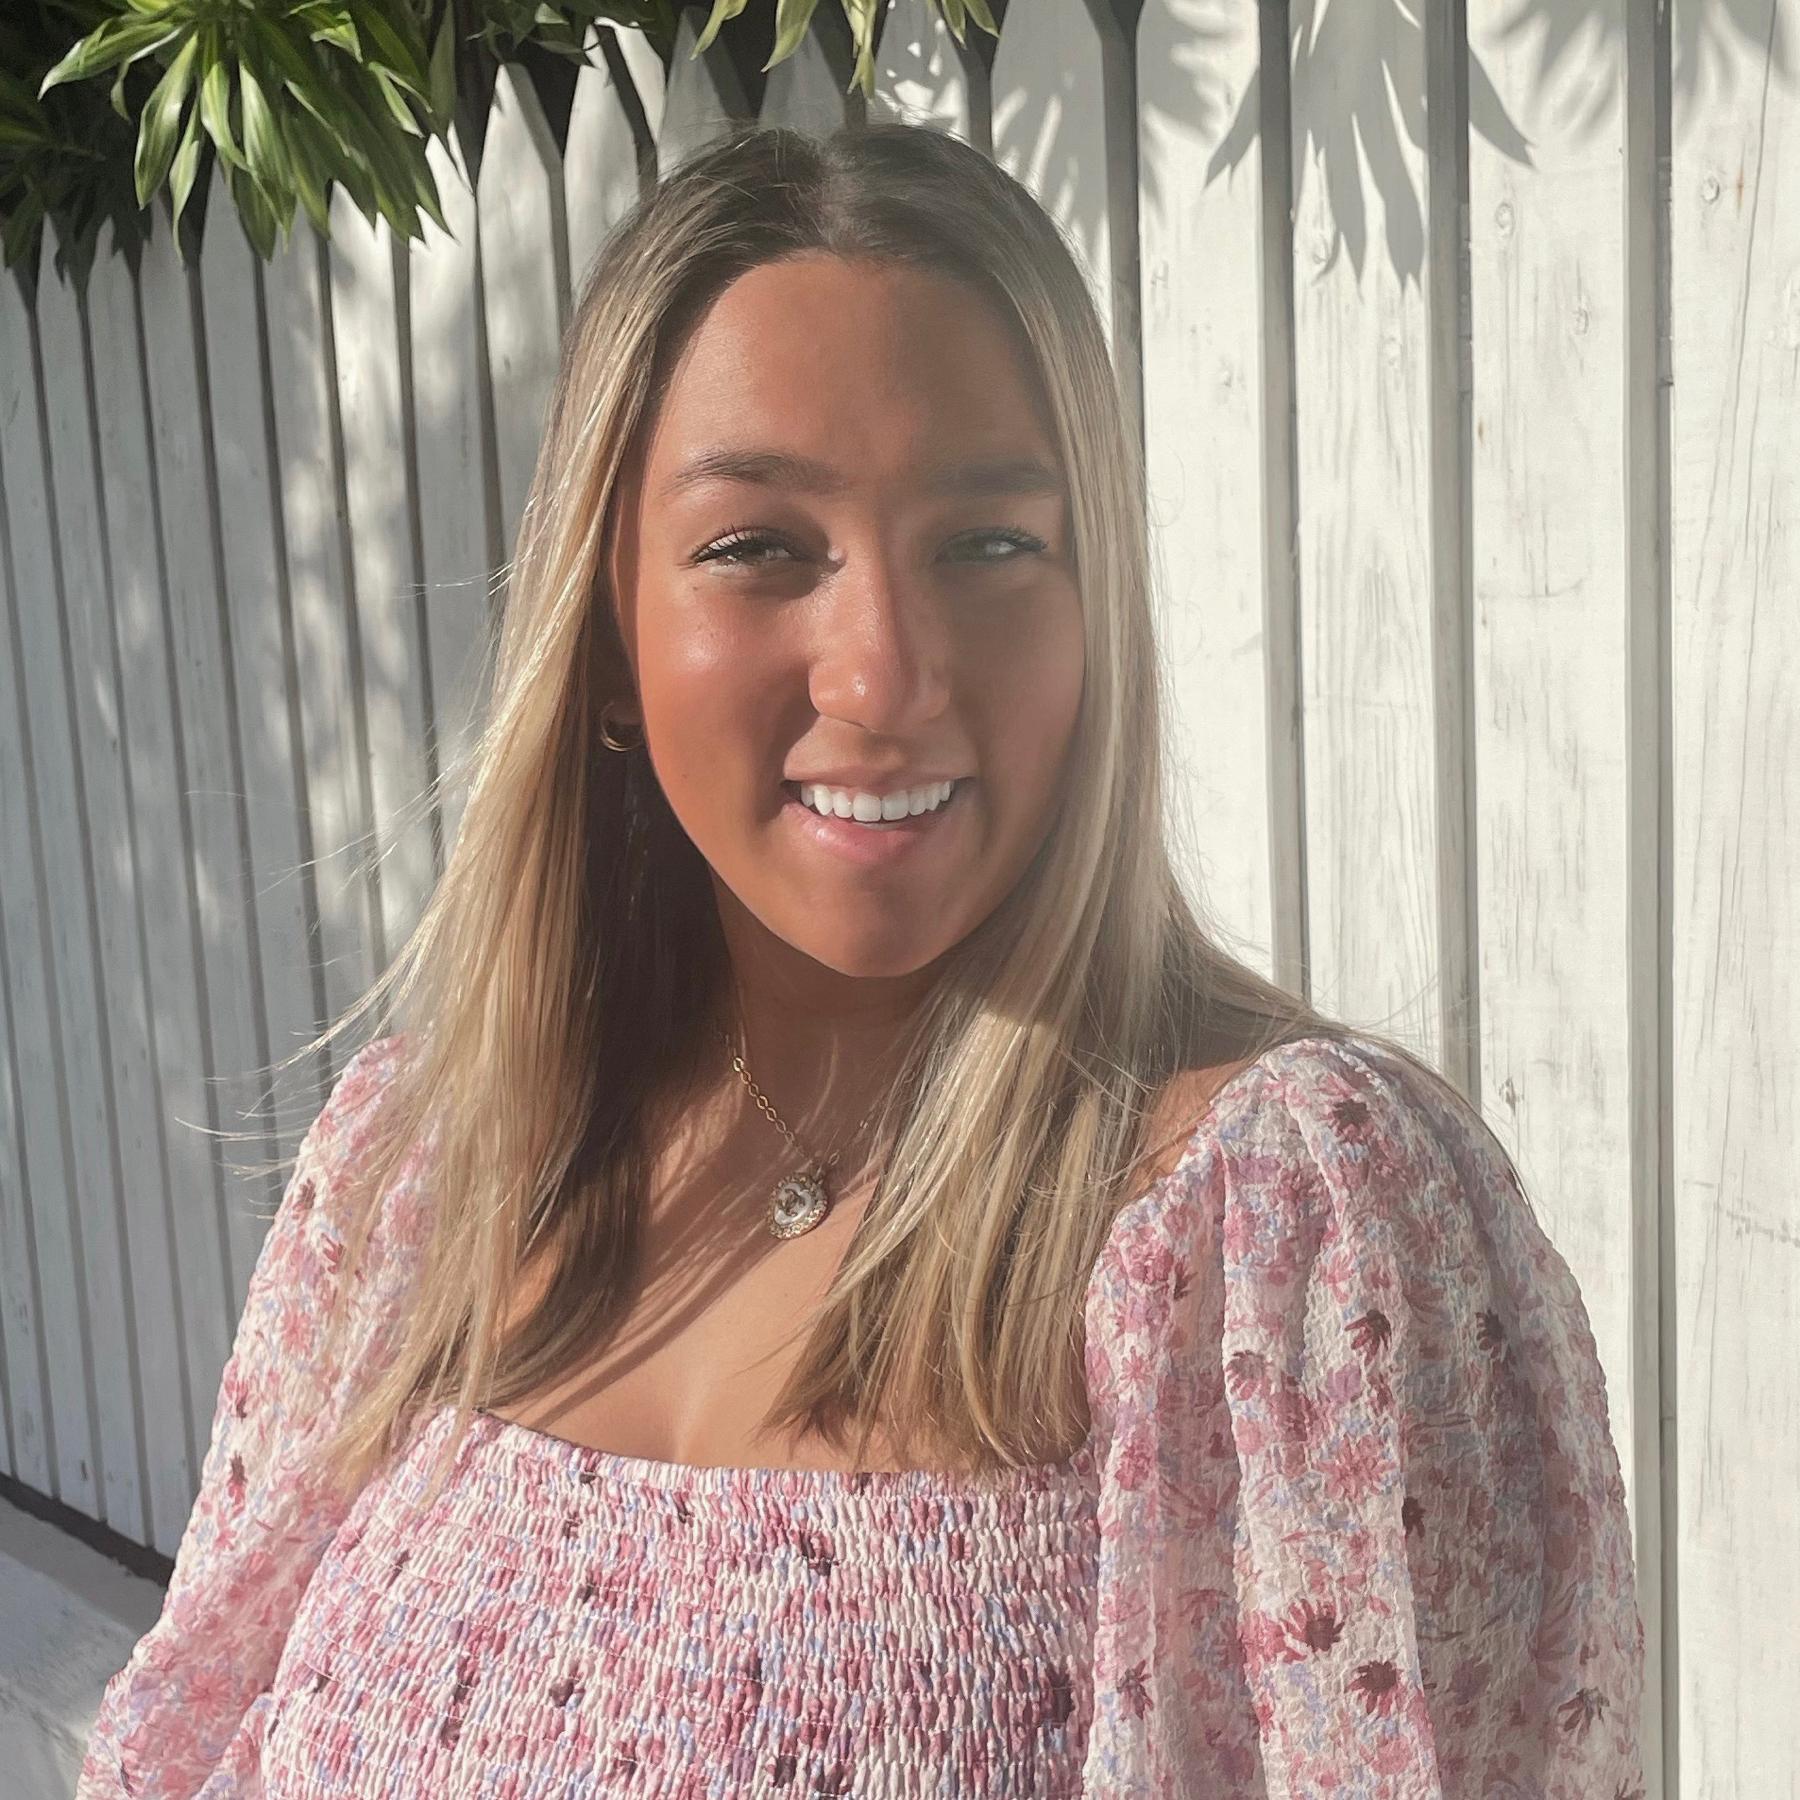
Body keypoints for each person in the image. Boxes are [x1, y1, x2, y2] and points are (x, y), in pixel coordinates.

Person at [76, 120, 1645, 1798]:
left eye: (991, 544)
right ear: (605, 638)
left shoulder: (1277, 1231)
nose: (886, 674)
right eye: (759, 546)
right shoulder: (419, 1180)